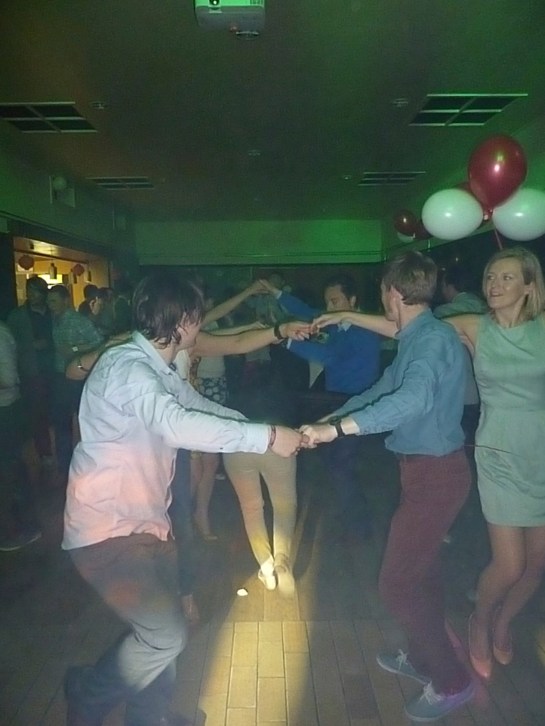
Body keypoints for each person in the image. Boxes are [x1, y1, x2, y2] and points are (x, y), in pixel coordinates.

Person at [62, 272, 303, 726]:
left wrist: (259, 431)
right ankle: (86, 693)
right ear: (183, 322)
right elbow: (175, 423)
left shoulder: (156, 367)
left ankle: (148, 718)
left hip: (145, 525)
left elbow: (193, 406)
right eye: (197, 314)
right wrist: (267, 436)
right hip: (106, 531)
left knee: (163, 630)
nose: (202, 321)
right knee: (164, 636)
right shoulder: (127, 368)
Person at [305, 251, 474, 722]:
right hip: (424, 473)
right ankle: (422, 658)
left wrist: (338, 429)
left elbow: (411, 400)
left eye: (382, 290)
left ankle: (453, 681)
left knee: (397, 585)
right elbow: (384, 391)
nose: (382, 298)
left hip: (436, 476)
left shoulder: (431, 341)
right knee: (423, 574)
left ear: (393, 293)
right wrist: (336, 418)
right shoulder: (419, 336)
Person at [441, 247, 545, 680]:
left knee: (537, 563)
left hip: (541, 452)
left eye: (506, 277)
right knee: (510, 565)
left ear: (529, 286)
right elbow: (409, 327)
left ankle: (504, 622)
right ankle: (480, 621)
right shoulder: (474, 326)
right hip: (499, 452)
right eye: (490, 277)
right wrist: (347, 316)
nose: (494, 285)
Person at [260, 273, 381, 541]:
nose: (329, 308)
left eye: (335, 301)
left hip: (356, 403)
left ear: (353, 300)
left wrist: (285, 339)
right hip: (336, 400)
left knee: (340, 467)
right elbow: (309, 313)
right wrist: (277, 294)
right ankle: (348, 522)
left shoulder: (363, 331)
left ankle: (358, 531)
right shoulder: (342, 324)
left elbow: (330, 356)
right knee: (336, 464)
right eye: (327, 302)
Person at [47, 284, 104, 480]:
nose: (50, 305)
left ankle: (88, 464)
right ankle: (65, 466)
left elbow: (99, 342)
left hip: (77, 379)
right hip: (60, 377)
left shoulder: (78, 321)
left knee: (84, 421)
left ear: (65, 301)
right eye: (49, 301)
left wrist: (73, 349)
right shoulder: (55, 320)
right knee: (61, 423)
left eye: (54, 301)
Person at [0, 321, 42, 551]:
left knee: (10, 471)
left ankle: (20, 529)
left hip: (6, 411)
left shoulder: (1, 335)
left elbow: (8, 379)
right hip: (6, 411)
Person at [7, 275, 55, 470]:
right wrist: (30, 346)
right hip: (31, 371)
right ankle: (44, 453)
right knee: (37, 414)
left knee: (54, 412)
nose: (31, 295)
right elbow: (9, 344)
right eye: (29, 291)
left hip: (54, 369)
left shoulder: (52, 312)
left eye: (35, 292)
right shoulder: (18, 316)